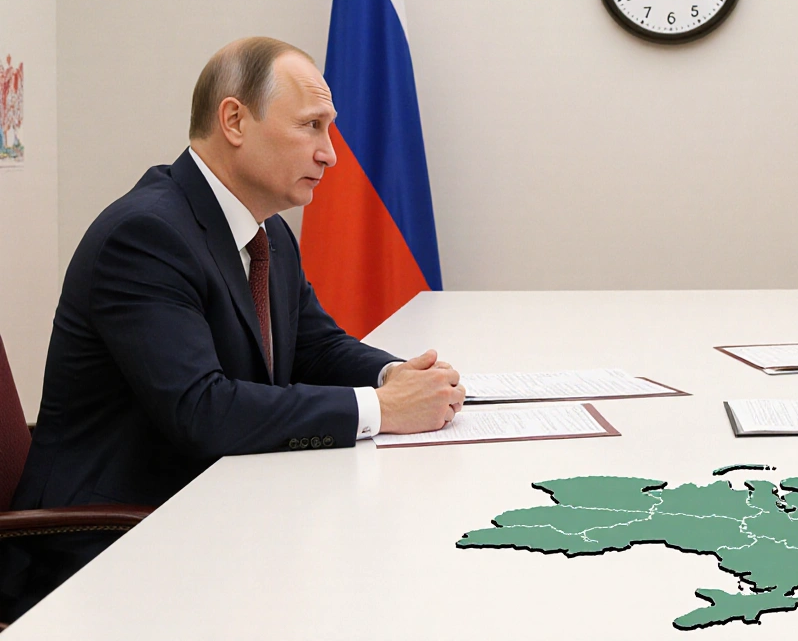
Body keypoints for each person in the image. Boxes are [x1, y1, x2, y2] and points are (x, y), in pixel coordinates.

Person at [1, 37, 466, 620]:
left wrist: (400, 375)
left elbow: (314, 345)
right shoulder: (146, 237)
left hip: (203, 511)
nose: (331, 155)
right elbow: (203, 409)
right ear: (234, 121)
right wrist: (382, 409)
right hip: (104, 546)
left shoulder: (266, 230)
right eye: (311, 127)